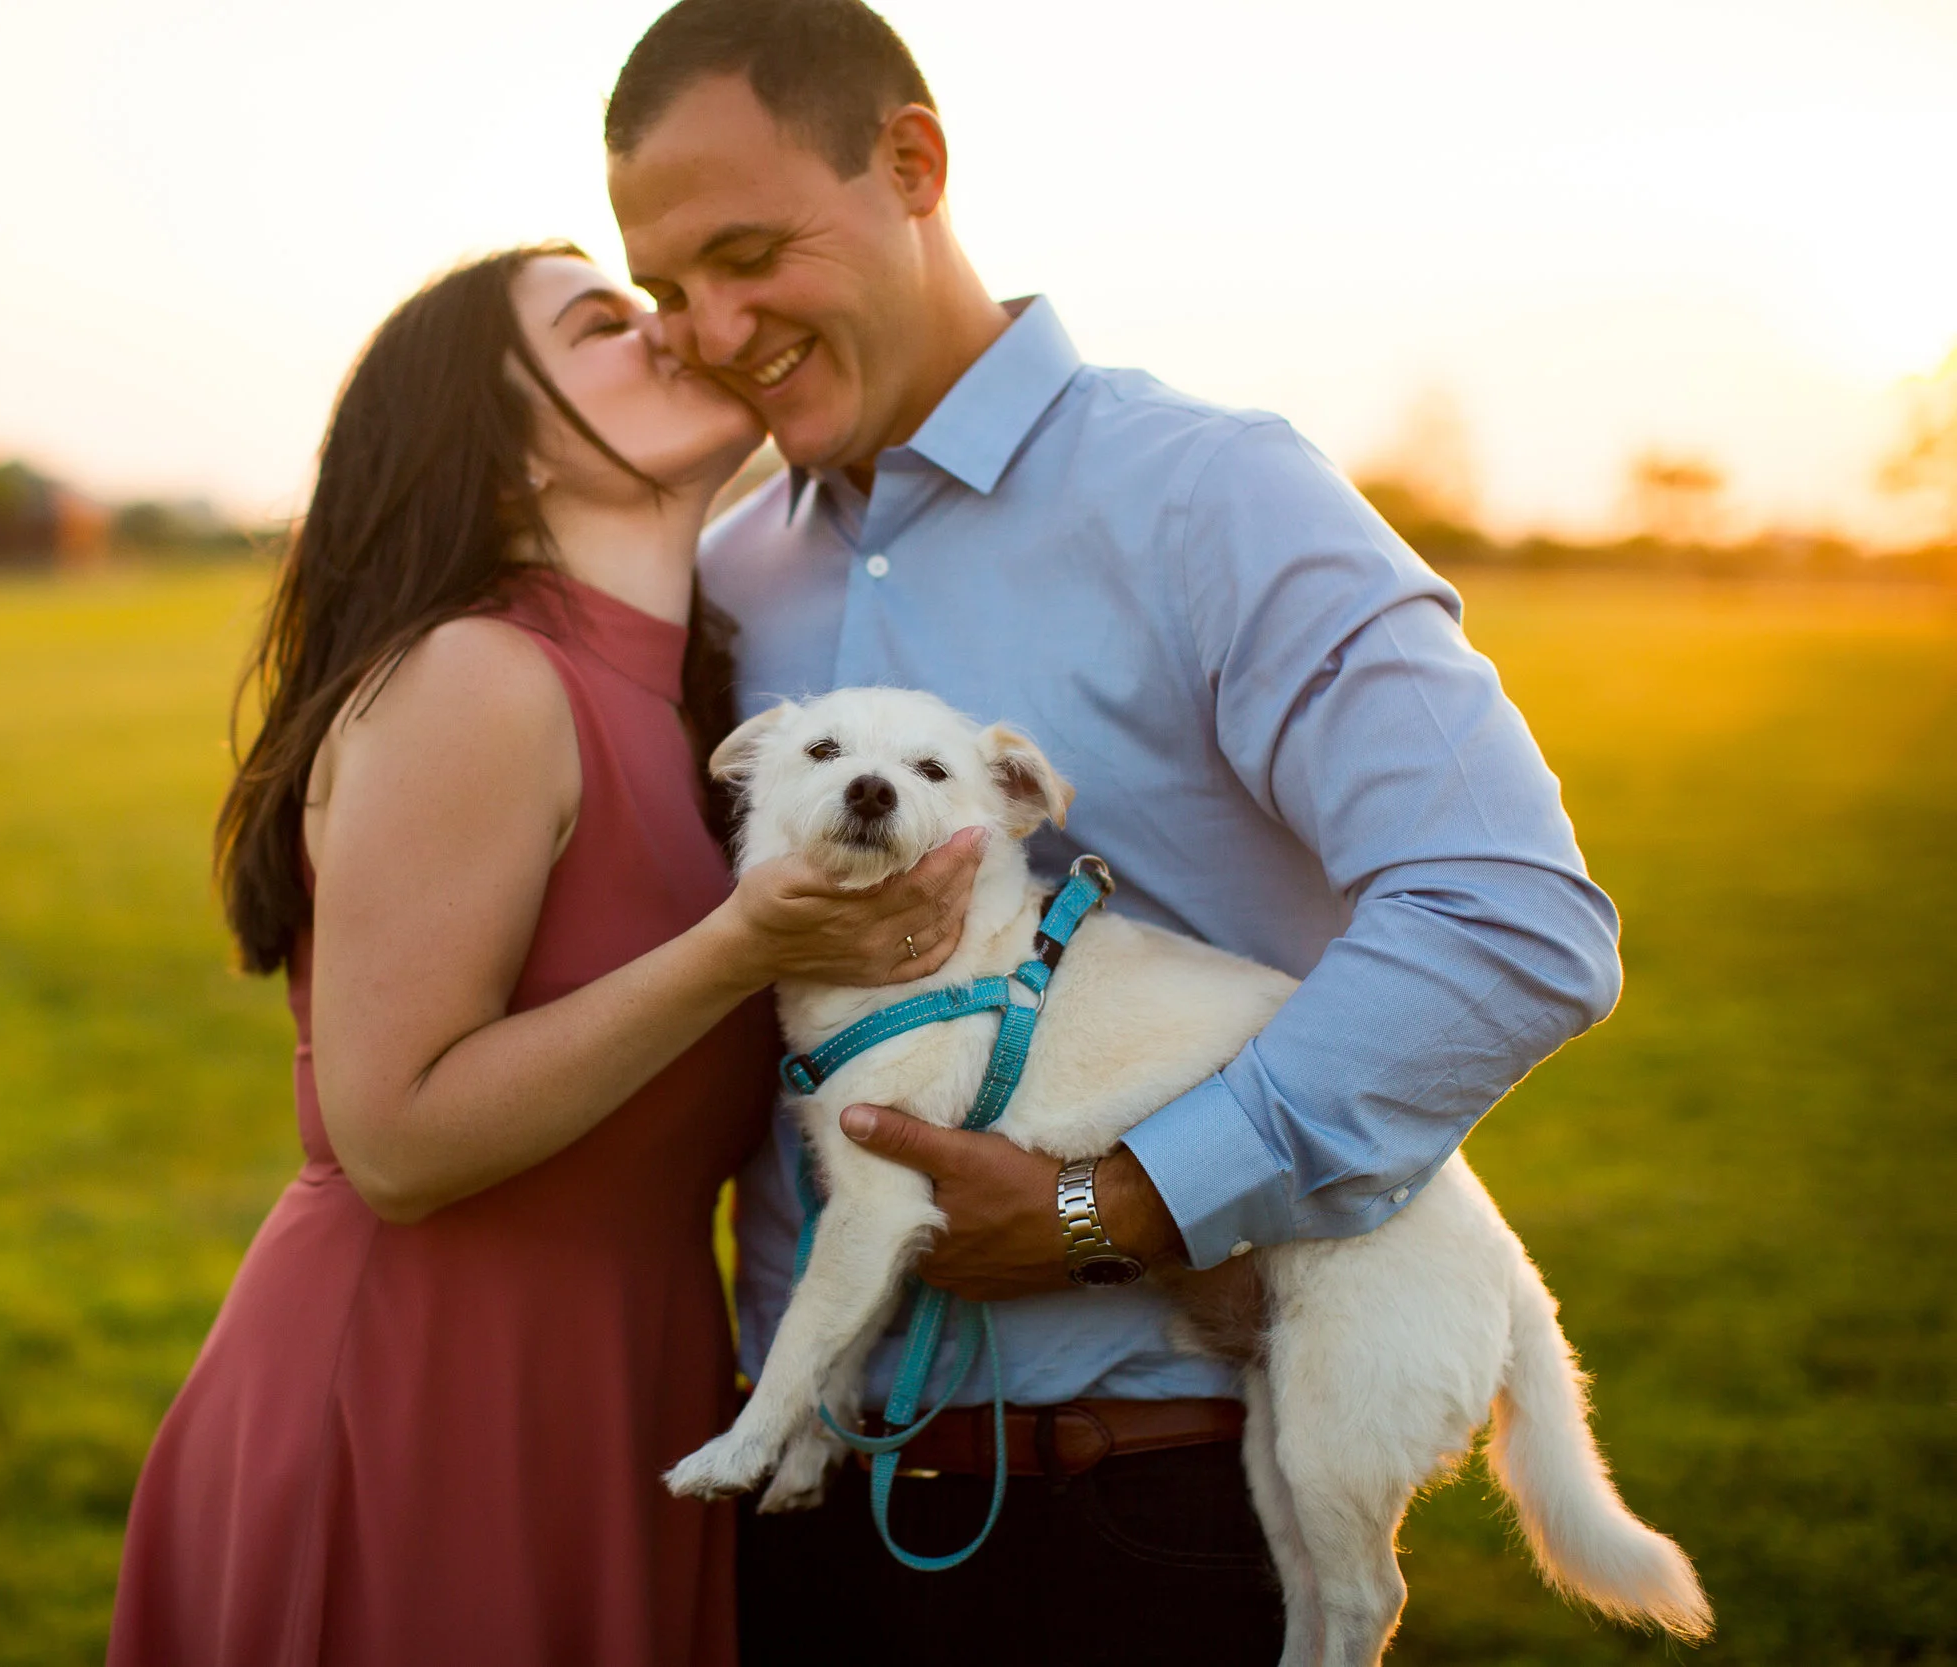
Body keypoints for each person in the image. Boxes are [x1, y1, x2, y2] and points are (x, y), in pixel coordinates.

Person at [603, 3, 1625, 1662]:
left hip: (1143, 1514)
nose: (710, 328)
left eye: (747, 253)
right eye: (667, 290)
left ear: (913, 163)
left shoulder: (1218, 495)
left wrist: (1125, 1202)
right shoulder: (727, 577)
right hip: (802, 1521)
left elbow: (1510, 916)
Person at [105, 243, 984, 1667]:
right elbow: (391, 1139)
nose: (676, 332)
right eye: (604, 326)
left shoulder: (683, 702)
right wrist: (733, 947)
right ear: (503, 458)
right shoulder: (479, 676)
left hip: (619, 1381)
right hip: (425, 1393)